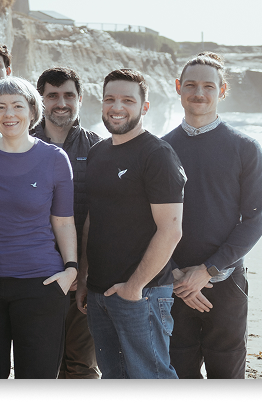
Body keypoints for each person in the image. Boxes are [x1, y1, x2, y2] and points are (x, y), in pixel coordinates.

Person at [0, 77, 78, 379]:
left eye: (17, 106)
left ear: (32, 110)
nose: (9, 114)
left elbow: (63, 221)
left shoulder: (54, 158)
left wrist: (71, 269)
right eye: (0, 107)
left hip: (40, 285)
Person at [162, 53, 262, 380]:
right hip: (170, 285)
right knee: (177, 375)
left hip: (226, 283)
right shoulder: (159, 150)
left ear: (222, 90)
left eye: (209, 85)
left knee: (228, 374)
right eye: (190, 84)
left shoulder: (245, 148)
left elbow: (253, 222)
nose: (199, 92)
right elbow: (143, 224)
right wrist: (177, 275)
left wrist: (207, 271)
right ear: (178, 88)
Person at [77, 69, 186, 379]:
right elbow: (91, 221)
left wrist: (134, 287)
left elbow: (171, 229)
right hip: (100, 292)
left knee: (150, 375)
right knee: (114, 375)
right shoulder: (98, 153)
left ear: (144, 107)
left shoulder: (157, 155)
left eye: (127, 99)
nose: (117, 107)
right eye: (110, 99)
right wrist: (85, 277)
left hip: (143, 293)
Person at [33, 67, 103, 379]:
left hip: (86, 274)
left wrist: (81, 272)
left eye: (69, 95)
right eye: (52, 96)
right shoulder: (24, 145)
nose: (61, 103)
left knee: (81, 365)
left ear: (80, 99)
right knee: (40, 362)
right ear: (40, 100)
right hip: (35, 274)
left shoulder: (99, 148)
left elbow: (103, 217)